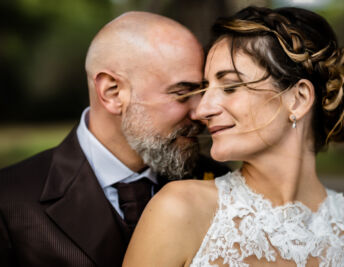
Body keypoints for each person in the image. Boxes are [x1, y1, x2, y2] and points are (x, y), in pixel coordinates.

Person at [122, 6, 344, 267]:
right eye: (206, 88)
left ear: (298, 99)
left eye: (230, 86)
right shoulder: (179, 211)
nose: (202, 109)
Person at [0, 11, 229, 267]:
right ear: (112, 92)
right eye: (182, 93)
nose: (201, 112)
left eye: (203, 91)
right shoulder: (9, 201)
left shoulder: (220, 184)